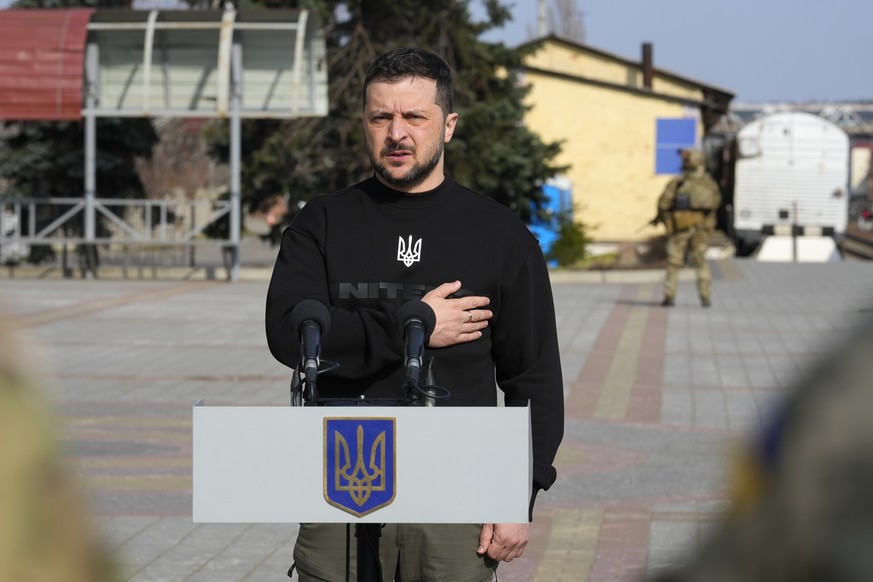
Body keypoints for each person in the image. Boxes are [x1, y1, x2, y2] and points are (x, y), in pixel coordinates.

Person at [265, 47, 564, 582]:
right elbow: (290, 335)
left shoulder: (501, 236)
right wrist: (417, 326)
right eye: (381, 117)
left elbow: (533, 378)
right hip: (344, 477)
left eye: (414, 117)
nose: (396, 133)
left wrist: (519, 490)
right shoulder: (323, 223)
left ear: (448, 125)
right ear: (365, 123)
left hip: (457, 484)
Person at [652, 148, 721, 307]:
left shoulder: (678, 183)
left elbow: (663, 203)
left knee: (674, 262)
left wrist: (662, 217)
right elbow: (716, 204)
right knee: (701, 262)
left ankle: (669, 296)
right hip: (701, 229)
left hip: (680, 229)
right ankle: (705, 297)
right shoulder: (709, 183)